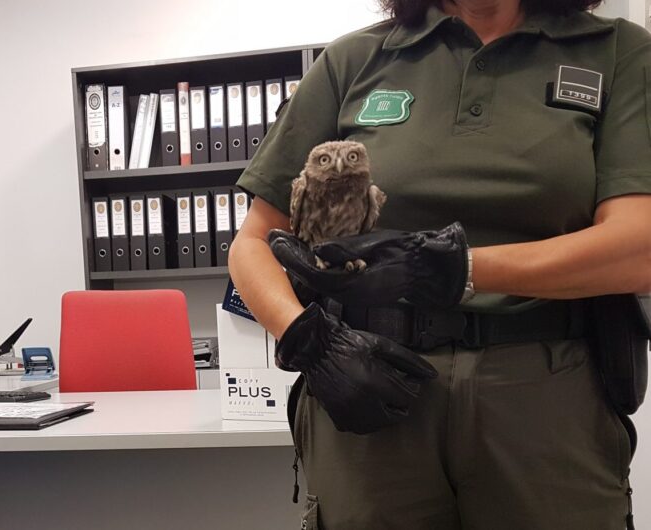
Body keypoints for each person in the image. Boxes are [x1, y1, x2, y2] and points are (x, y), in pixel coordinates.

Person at [229, 0, 651, 528]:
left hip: (547, 393)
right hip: (373, 381)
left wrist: (460, 269)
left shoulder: (618, 52)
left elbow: (639, 248)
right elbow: (253, 242)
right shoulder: (352, 60)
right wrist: (308, 341)